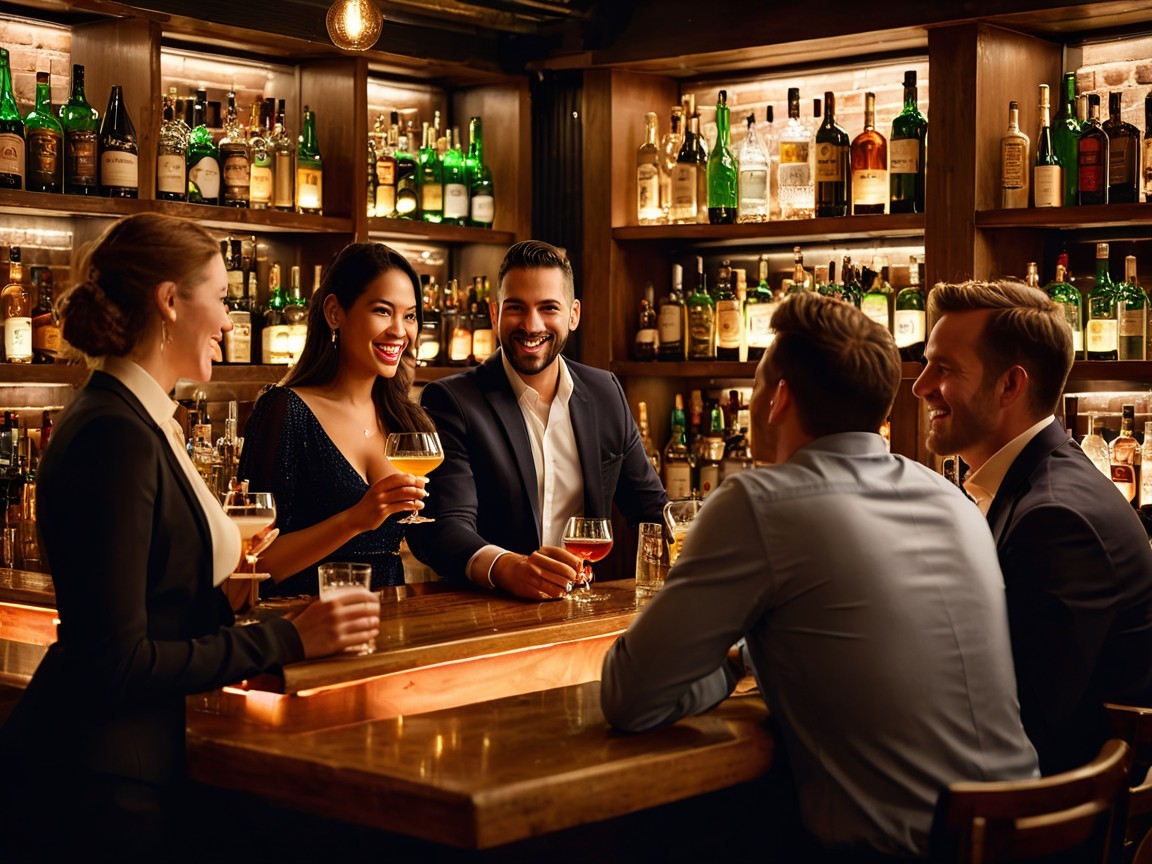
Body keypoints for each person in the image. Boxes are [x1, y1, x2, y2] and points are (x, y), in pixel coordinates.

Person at [601, 293, 1038, 860]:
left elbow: (630, 697)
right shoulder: (948, 497)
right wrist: (745, 660)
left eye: (758, 386)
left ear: (778, 398)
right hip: (1029, 837)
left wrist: (732, 664)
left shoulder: (759, 503)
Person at [0, 214, 380, 862]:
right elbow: (115, 660)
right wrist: (290, 638)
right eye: (224, 299)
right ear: (170, 302)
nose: (233, 323)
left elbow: (169, 601)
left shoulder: (147, 422)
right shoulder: (111, 434)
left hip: (132, 767)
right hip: (94, 784)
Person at [912, 279, 1152, 776]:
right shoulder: (1036, 488)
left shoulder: (1057, 519)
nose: (920, 385)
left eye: (945, 368)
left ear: (1010, 385)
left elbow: (1018, 722)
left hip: (1039, 828)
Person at [407, 240, 667, 600]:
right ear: (495, 314)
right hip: (486, 612)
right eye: (517, 308)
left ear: (573, 315)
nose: (532, 325)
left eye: (549, 308)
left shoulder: (605, 392)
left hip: (582, 610)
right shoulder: (451, 401)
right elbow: (444, 529)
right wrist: (508, 568)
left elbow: (651, 510)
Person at [238, 243, 434, 596]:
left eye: (409, 316)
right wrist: (354, 520)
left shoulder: (405, 419)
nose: (399, 331)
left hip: (392, 622)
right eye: (382, 311)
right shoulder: (285, 410)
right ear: (334, 312)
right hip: (308, 627)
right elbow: (251, 565)